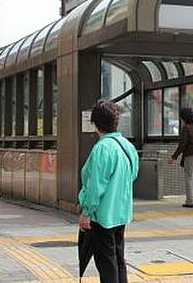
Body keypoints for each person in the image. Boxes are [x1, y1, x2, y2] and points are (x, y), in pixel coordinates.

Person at [78, 100, 139, 283]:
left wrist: (86, 212)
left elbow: (96, 185)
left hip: (102, 216)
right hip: (121, 213)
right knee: (118, 259)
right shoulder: (127, 146)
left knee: (106, 263)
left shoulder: (102, 148)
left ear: (96, 124)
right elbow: (133, 174)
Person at [168, 108, 193, 208]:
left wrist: (174, 157)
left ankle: (189, 201)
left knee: (189, 178)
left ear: (183, 118)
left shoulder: (185, 128)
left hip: (191, 155)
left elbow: (182, 144)